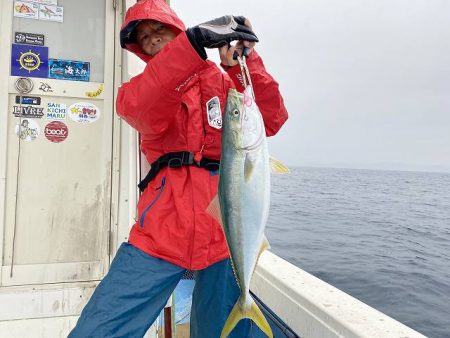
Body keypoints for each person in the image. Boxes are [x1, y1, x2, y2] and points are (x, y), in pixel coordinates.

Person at [69, 0, 288, 337]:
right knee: (98, 329)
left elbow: (271, 120)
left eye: (159, 29)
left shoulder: (224, 83)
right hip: (160, 231)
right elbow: (141, 109)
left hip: (222, 233)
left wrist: (247, 61)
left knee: (224, 331)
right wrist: (192, 44)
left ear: (175, 28)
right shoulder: (140, 90)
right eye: (143, 37)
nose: (152, 39)